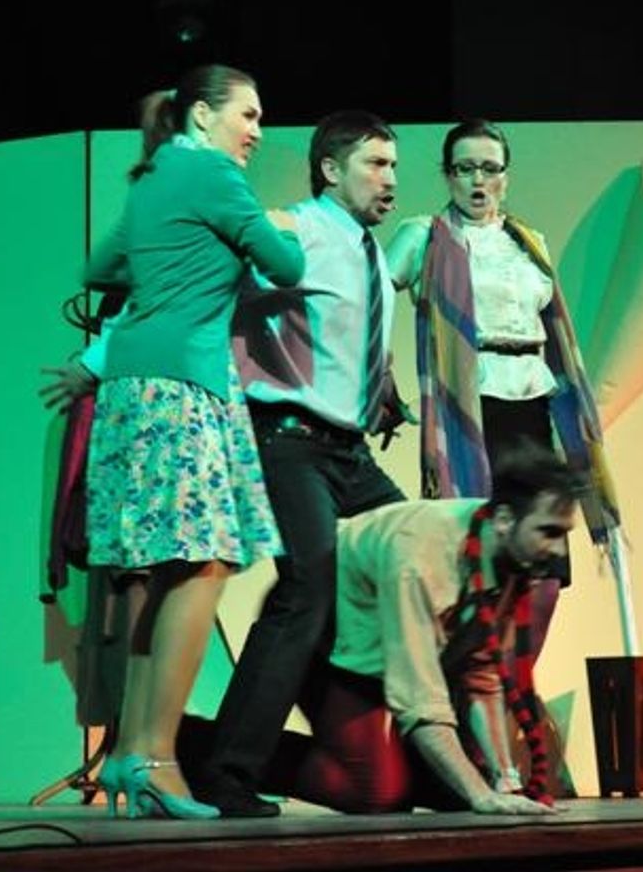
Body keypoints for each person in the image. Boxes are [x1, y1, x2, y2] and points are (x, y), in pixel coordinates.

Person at [82, 63, 304, 820]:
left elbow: (101, 265)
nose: (257, 131)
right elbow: (287, 265)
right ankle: (158, 756)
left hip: (133, 385)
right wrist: (267, 227)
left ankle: (129, 751)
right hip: (183, 384)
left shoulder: (153, 179)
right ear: (202, 116)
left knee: (166, 568)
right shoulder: (213, 174)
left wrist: (174, 261)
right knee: (206, 561)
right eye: (249, 114)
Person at [191, 109, 410, 817]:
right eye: (375, 164)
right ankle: (224, 770)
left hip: (350, 452)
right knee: (307, 587)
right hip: (290, 442)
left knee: (412, 556)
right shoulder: (300, 228)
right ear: (330, 169)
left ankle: (405, 755)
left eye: (394, 166)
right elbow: (224, 271)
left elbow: (345, 337)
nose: (390, 179)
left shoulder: (368, 251)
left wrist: (383, 394)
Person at [179, 445, 577, 816]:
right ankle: (191, 745)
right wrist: (482, 795)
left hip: (381, 653)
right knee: (377, 792)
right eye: (549, 532)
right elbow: (420, 699)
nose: (559, 550)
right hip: (331, 642)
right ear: (505, 520)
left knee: (454, 791)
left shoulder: (504, 551)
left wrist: (505, 782)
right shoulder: (421, 558)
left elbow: (482, 675)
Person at [384, 119, 622, 655]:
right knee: (481, 556)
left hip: (533, 404)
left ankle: (516, 682)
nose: (478, 180)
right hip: (473, 410)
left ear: (505, 178)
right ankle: (473, 679)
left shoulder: (529, 243)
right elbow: (370, 294)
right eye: (465, 168)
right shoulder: (425, 235)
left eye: (489, 169)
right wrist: (380, 372)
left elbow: (552, 324)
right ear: (448, 174)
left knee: (544, 567)